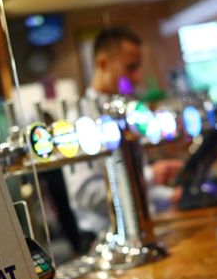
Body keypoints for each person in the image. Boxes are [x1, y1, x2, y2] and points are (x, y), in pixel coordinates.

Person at [64, 27, 183, 249]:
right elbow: (87, 195)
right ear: (102, 63)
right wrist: (149, 175)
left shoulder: (130, 110)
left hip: (142, 231)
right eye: (130, 68)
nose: (137, 77)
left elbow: (139, 196)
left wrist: (170, 195)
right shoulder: (81, 118)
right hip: (104, 240)